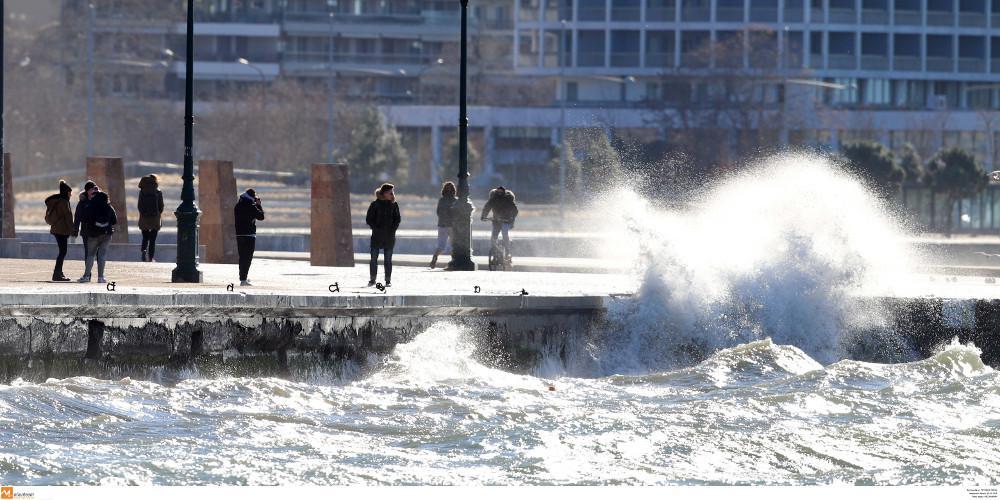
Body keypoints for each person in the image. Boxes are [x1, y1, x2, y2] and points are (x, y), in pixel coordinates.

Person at [366, 183, 401, 287]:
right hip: (377, 236)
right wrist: (376, 228)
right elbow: (369, 219)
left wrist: (392, 230)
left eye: (392, 192)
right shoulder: (375, 204)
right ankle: (372, 280)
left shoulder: (394, 205)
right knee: (373, 259)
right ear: (384, 193)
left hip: (389, 236)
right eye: (390, 192)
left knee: (388, 260)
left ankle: (388, 280)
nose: (392, 194)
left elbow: (397, 219)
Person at [79, 190, 117, 284]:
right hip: (106, 234)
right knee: (102, 255)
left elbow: (84, 218)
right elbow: (114, 220)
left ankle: (86, 276)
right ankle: (101, 277)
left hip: (93, 234)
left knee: (90, 255)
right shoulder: (109, 207)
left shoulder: (91, 206)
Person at [44, 180, 74, 282]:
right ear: (66, 192)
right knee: (62, 252)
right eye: (70, 192)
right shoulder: (64, 202)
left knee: (62, 251)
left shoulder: (57, 201)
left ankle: (59, 273)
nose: (71, 194)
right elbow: (68, 217)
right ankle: (57, 274)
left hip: (56, 229)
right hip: (62, 230)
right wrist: (73, 230)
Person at [234, 188, 265, 286]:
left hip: (239, 234)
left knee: (242, 257)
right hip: (249, 235)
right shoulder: (251, 206)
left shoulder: (238, 205)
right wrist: (259, 205)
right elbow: (261, 217)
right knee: (247, 258)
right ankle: (243, 279)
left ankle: (242, 277)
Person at [480, 185, 518, 257]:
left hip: (506, 220)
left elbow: (515, 210)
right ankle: (495, 250)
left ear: (504, 192)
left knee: (504, 233)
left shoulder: (508, 199)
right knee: (493, 237)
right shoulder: (493, 199)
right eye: (498, 192)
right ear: (496, 192)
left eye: (501, 192)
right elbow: (487, 207)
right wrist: (483, 216)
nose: (499, 193)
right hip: (496, 221)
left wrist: (511, 218)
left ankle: (507, 250)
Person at [137, 174, 165, 262]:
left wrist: (143, 213)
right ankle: (150, 258)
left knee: (145, 237)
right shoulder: (158, 191)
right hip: (155, 218)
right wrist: (158, 213)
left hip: (144, 217)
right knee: (152, 239)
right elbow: (161, 206)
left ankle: (143, 251)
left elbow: (139, 205)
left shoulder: (142, 191)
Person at [429, 181, 456, 269]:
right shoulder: (455, 200)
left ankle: (435, 258)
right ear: (453, 190)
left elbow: (438, 212)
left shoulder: (441, 199)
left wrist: (443, 218)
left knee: (441, 246)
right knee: (453, 246)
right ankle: (453, 262)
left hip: (442, 225)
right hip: (452, 226)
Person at [73, 180, 98, 263]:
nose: (93, 191)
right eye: (91, 189)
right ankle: (87, 274)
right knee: (88, 252)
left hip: (98, 231)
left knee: (98, 253)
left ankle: (100, 274)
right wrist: (75, 230)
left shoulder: (100, 201)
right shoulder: (82, 203)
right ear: (87, 191)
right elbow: (77, 217)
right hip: (86, 231)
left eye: (94, 189)